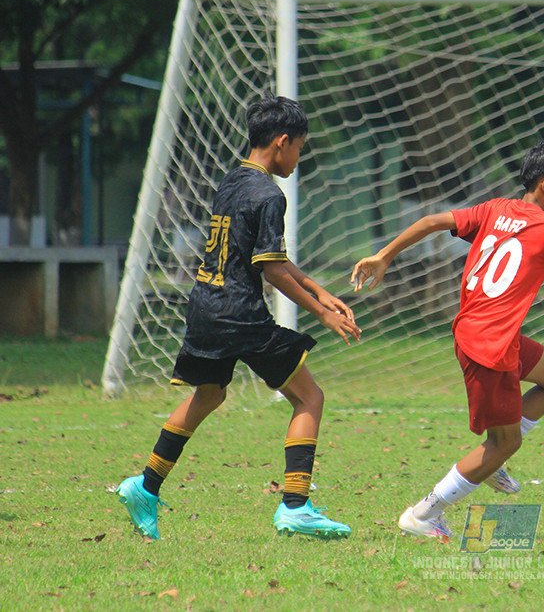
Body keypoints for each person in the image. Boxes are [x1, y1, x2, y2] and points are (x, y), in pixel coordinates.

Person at [351, 137, 544, 539]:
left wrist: (384, 255)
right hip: (491, 346)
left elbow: (432, 222)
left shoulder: (493, 209)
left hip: (481, 332)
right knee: (504, 443)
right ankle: (423, 515)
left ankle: (495, 457)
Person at [116, 96, 362, 541]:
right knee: (310, 398)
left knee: (209, 394)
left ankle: (145, 487)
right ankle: (295, 506)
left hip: (205, 306)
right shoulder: (271, 194)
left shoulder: (233, 180)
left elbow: (272, 259)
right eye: (300, 148)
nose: (299, 157)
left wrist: (320, 290)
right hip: (240, 316)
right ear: (282, 142)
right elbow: (271, 272)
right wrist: (323, 313)